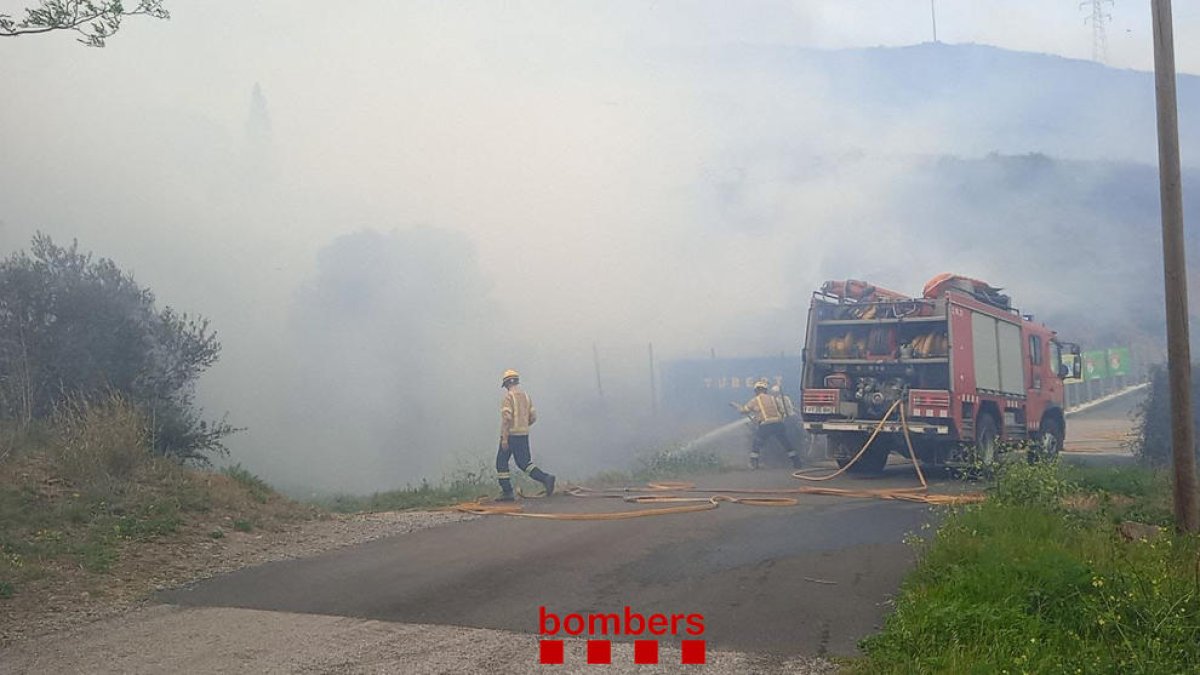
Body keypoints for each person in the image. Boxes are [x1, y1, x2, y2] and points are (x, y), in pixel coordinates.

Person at [496, 369, 555, 502]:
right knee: (525, 463)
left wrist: (504, 438)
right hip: (523, 435)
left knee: (501, 463)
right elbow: (533, 417)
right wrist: (523, 425)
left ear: (506, 384)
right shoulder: (526, 396)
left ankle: (507, 492)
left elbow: (506, 419)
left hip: (511, 435)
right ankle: (546, 478)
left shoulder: (508, 397)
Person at [734, 380, 802, 469]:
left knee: (757, 443)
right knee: (786, 443)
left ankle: (753, 464)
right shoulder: (773, 398)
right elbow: (781, 411)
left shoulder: (755, 400)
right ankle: (797, 462)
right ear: (766, 390)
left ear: (756, 391)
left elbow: (744, 411)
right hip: (779, 424)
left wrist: (736, 406)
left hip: (766, 426)